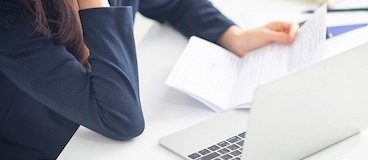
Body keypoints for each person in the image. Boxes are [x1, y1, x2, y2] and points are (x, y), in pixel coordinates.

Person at [0, 0, 298, 159]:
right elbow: (122, 121)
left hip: (102, 131)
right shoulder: (9, 16)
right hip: (52, 146)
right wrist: (95, 3)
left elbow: (176, 3)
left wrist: (231, 35)